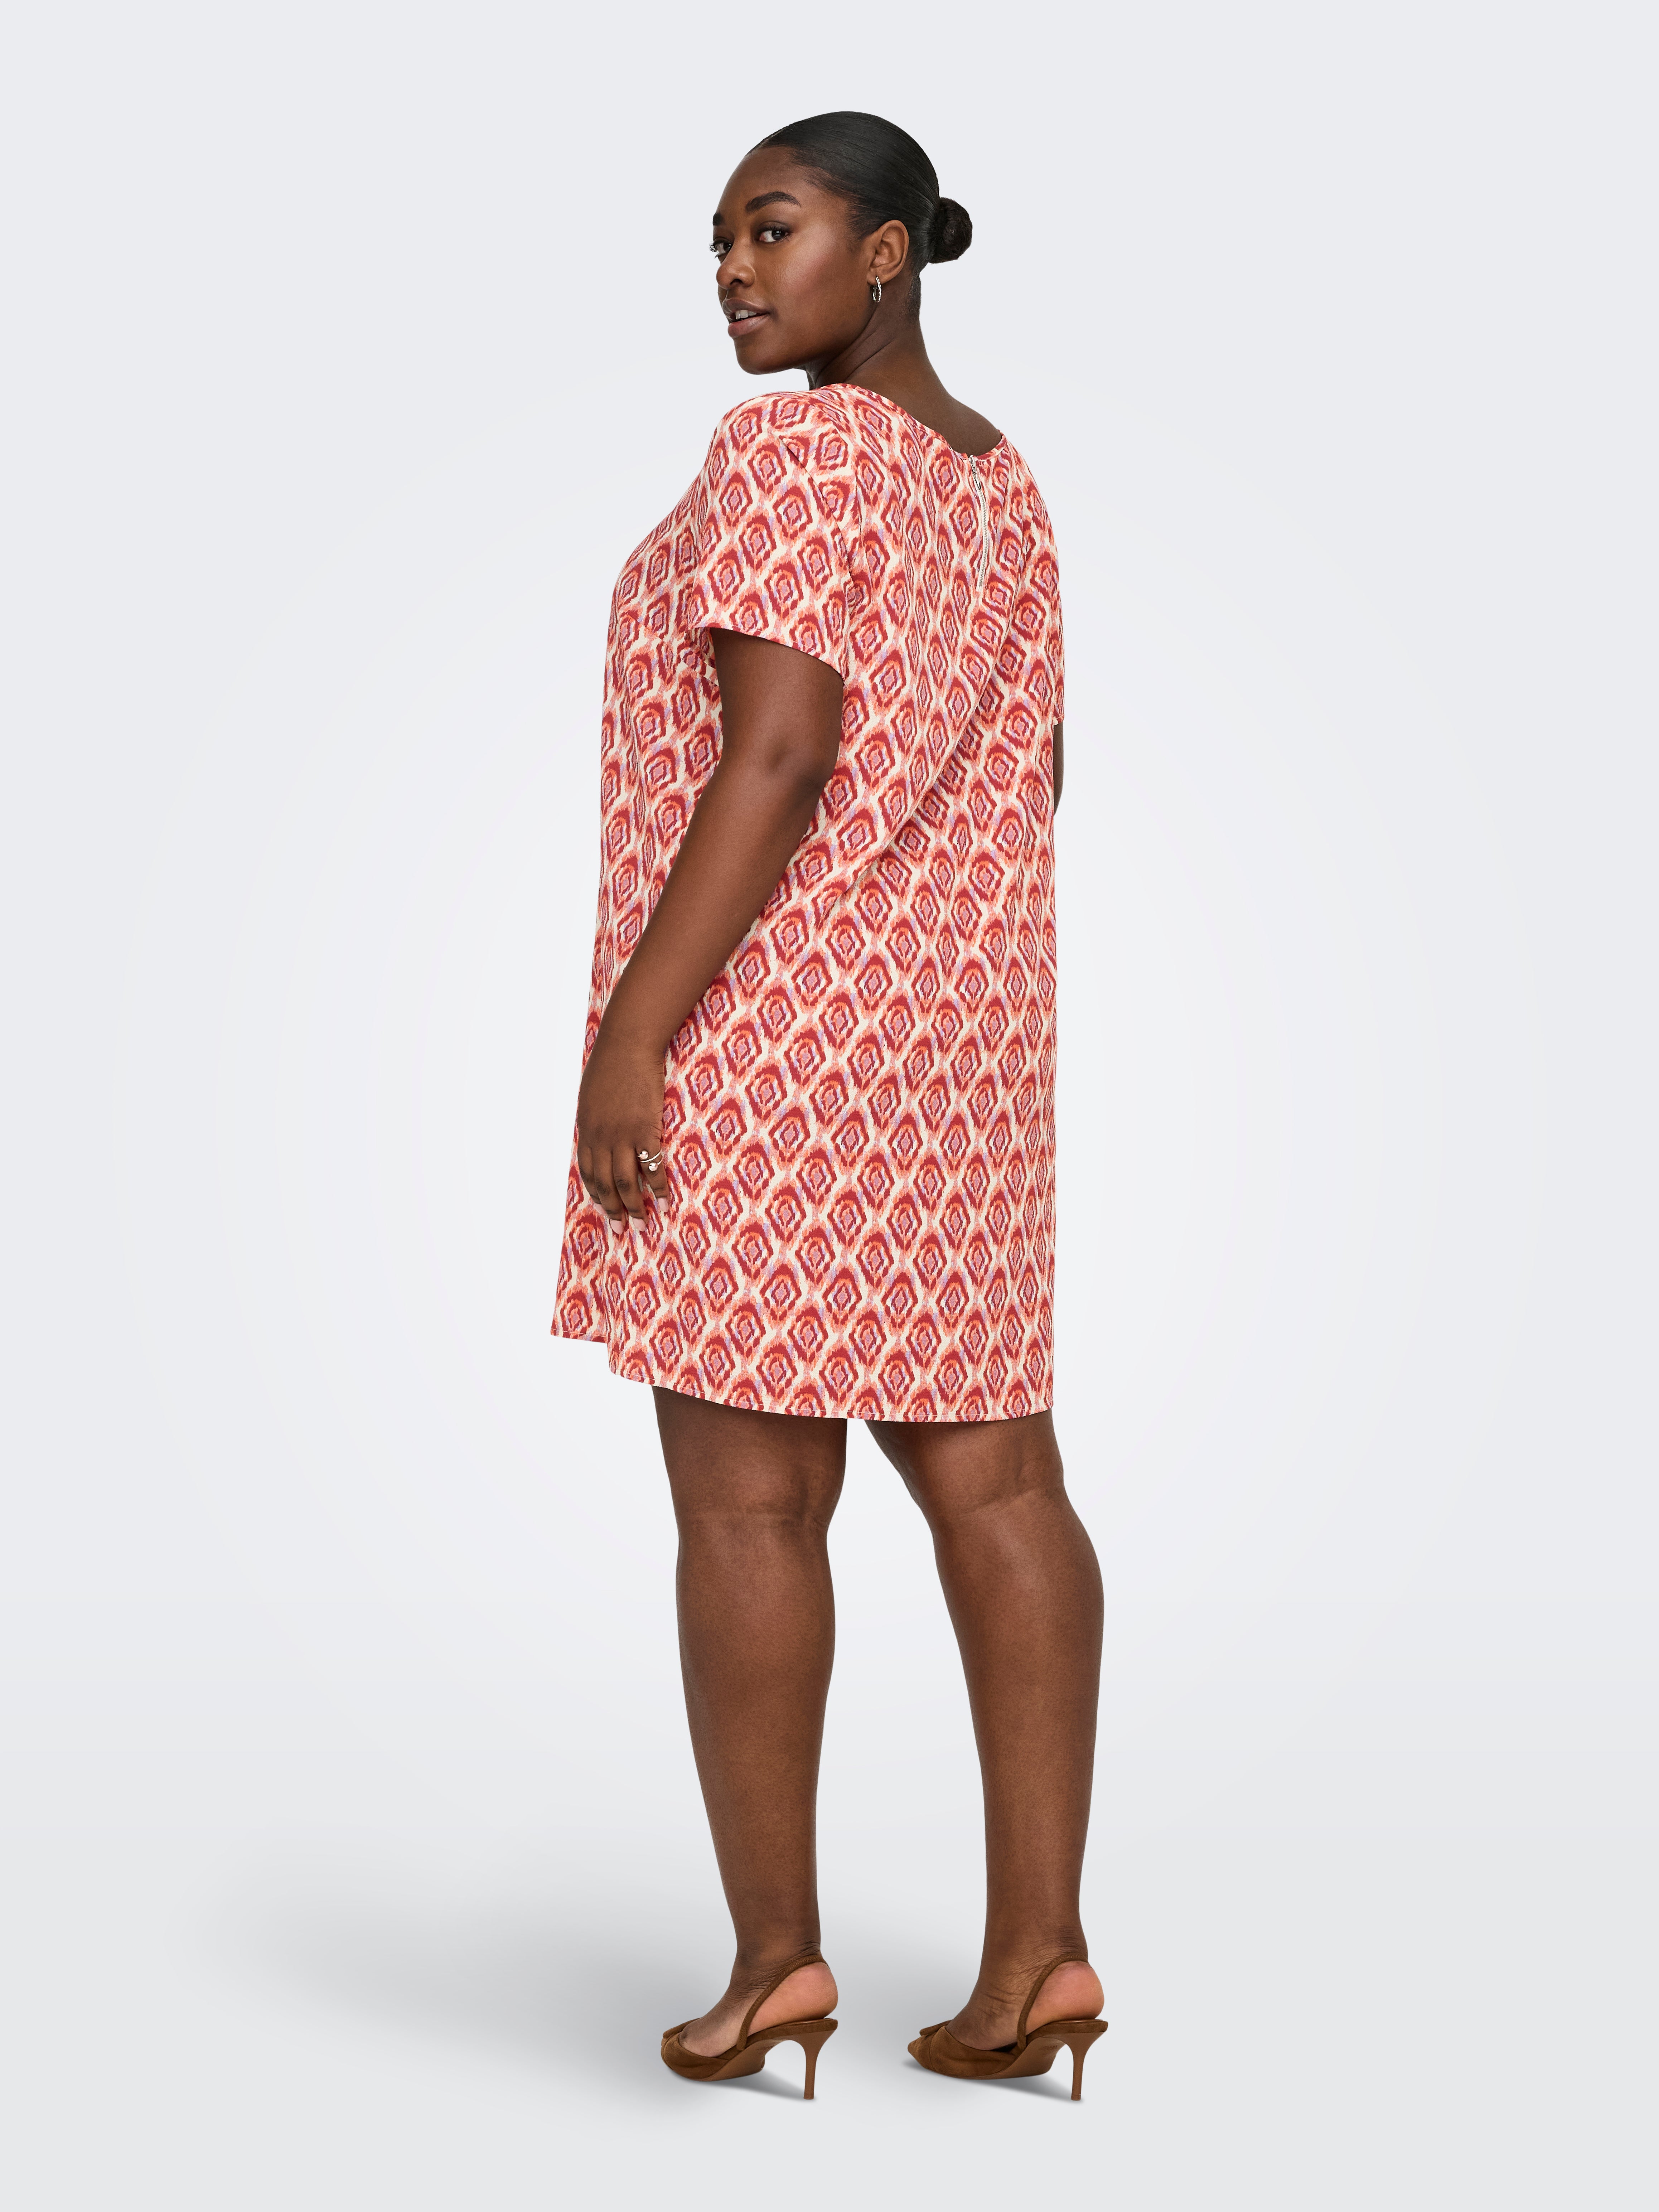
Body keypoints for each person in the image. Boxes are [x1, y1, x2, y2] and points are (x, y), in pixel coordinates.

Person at [551, 111, 1105, 2101]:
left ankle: (776, 1967)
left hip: (777, 1045)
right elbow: (1044, 774)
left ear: (886, 252)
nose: (733, 268)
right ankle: (1039, 1958)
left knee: (751, 1503)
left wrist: (637, 1033)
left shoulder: (790, 456)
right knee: (1003, 1484)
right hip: (965, 1055)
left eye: (772, 228)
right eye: (717, 238)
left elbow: (775, 757)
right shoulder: (1001, 481)